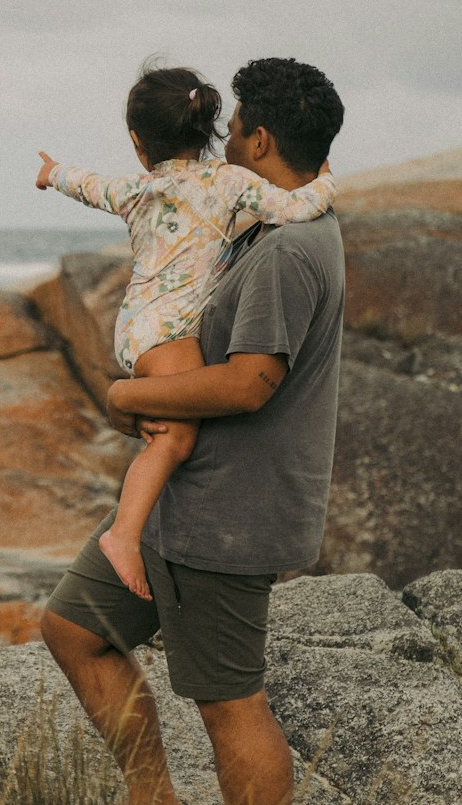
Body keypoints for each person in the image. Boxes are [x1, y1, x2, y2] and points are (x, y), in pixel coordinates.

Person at [40, 56, 346, 805]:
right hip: (183, 504)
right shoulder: (254, 216)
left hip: (226, 517)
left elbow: (250, 383)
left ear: (261, 137)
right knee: (74, 629)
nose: (228, 139)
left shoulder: (290, 250)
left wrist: (126, 391)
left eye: (239, 124)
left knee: (230, 704)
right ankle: (154, 803)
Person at [36, 60, 335, 602]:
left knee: (165, 429)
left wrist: (52, 172)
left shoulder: (136, 189)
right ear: (209, 129)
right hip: (171, 331)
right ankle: (124, 537)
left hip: (140, 322)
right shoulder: (230, 182)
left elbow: (88, 186)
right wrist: (327, 180)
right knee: (175, 436)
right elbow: (293, 206)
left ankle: (130, 539)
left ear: (137, 141)